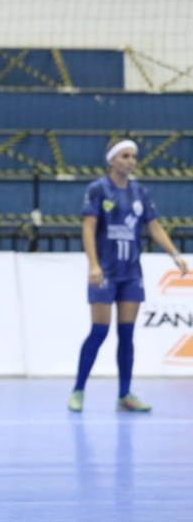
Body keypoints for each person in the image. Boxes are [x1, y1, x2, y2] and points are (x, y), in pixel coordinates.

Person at [69, 137, 188, 413]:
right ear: (112, 160)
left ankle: (124, 395)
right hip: (106, 271)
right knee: (99, 331)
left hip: (131, 272)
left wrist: (175, 254)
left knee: (127, 334)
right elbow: (88, 228)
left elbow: (154, 227)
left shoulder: (140, 192)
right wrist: (93, 265)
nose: (130, 161)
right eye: (124, 156)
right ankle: (78, 390)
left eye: (133, 156)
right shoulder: (98, 189)